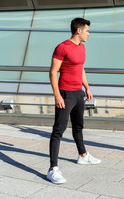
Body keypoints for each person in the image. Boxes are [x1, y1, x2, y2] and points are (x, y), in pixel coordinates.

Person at [47, 18, 101, 184]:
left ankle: (82, 156)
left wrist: (87, 87)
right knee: (58, 130)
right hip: (65, 93)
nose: (88, 34)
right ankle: (52, 169)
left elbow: (81, 68)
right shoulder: (62, 47)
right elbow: (53, 72)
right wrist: (57, 95)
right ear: (78, 30)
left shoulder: (82, 47)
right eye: (87, 31)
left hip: (78, 93)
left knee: (78, 126)